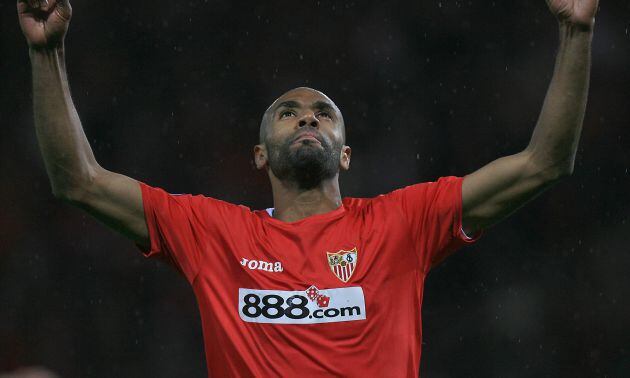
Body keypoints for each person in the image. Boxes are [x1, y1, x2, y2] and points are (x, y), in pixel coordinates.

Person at [17, 0, 599, 376]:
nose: (307, 118)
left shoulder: (401, 224)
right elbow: (78, 182)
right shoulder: (215, 234)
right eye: (288, 112)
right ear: (258, 153)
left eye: (323, 112)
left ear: (345, 153)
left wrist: (577, 32)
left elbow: (545, 163)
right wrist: (47, 52)